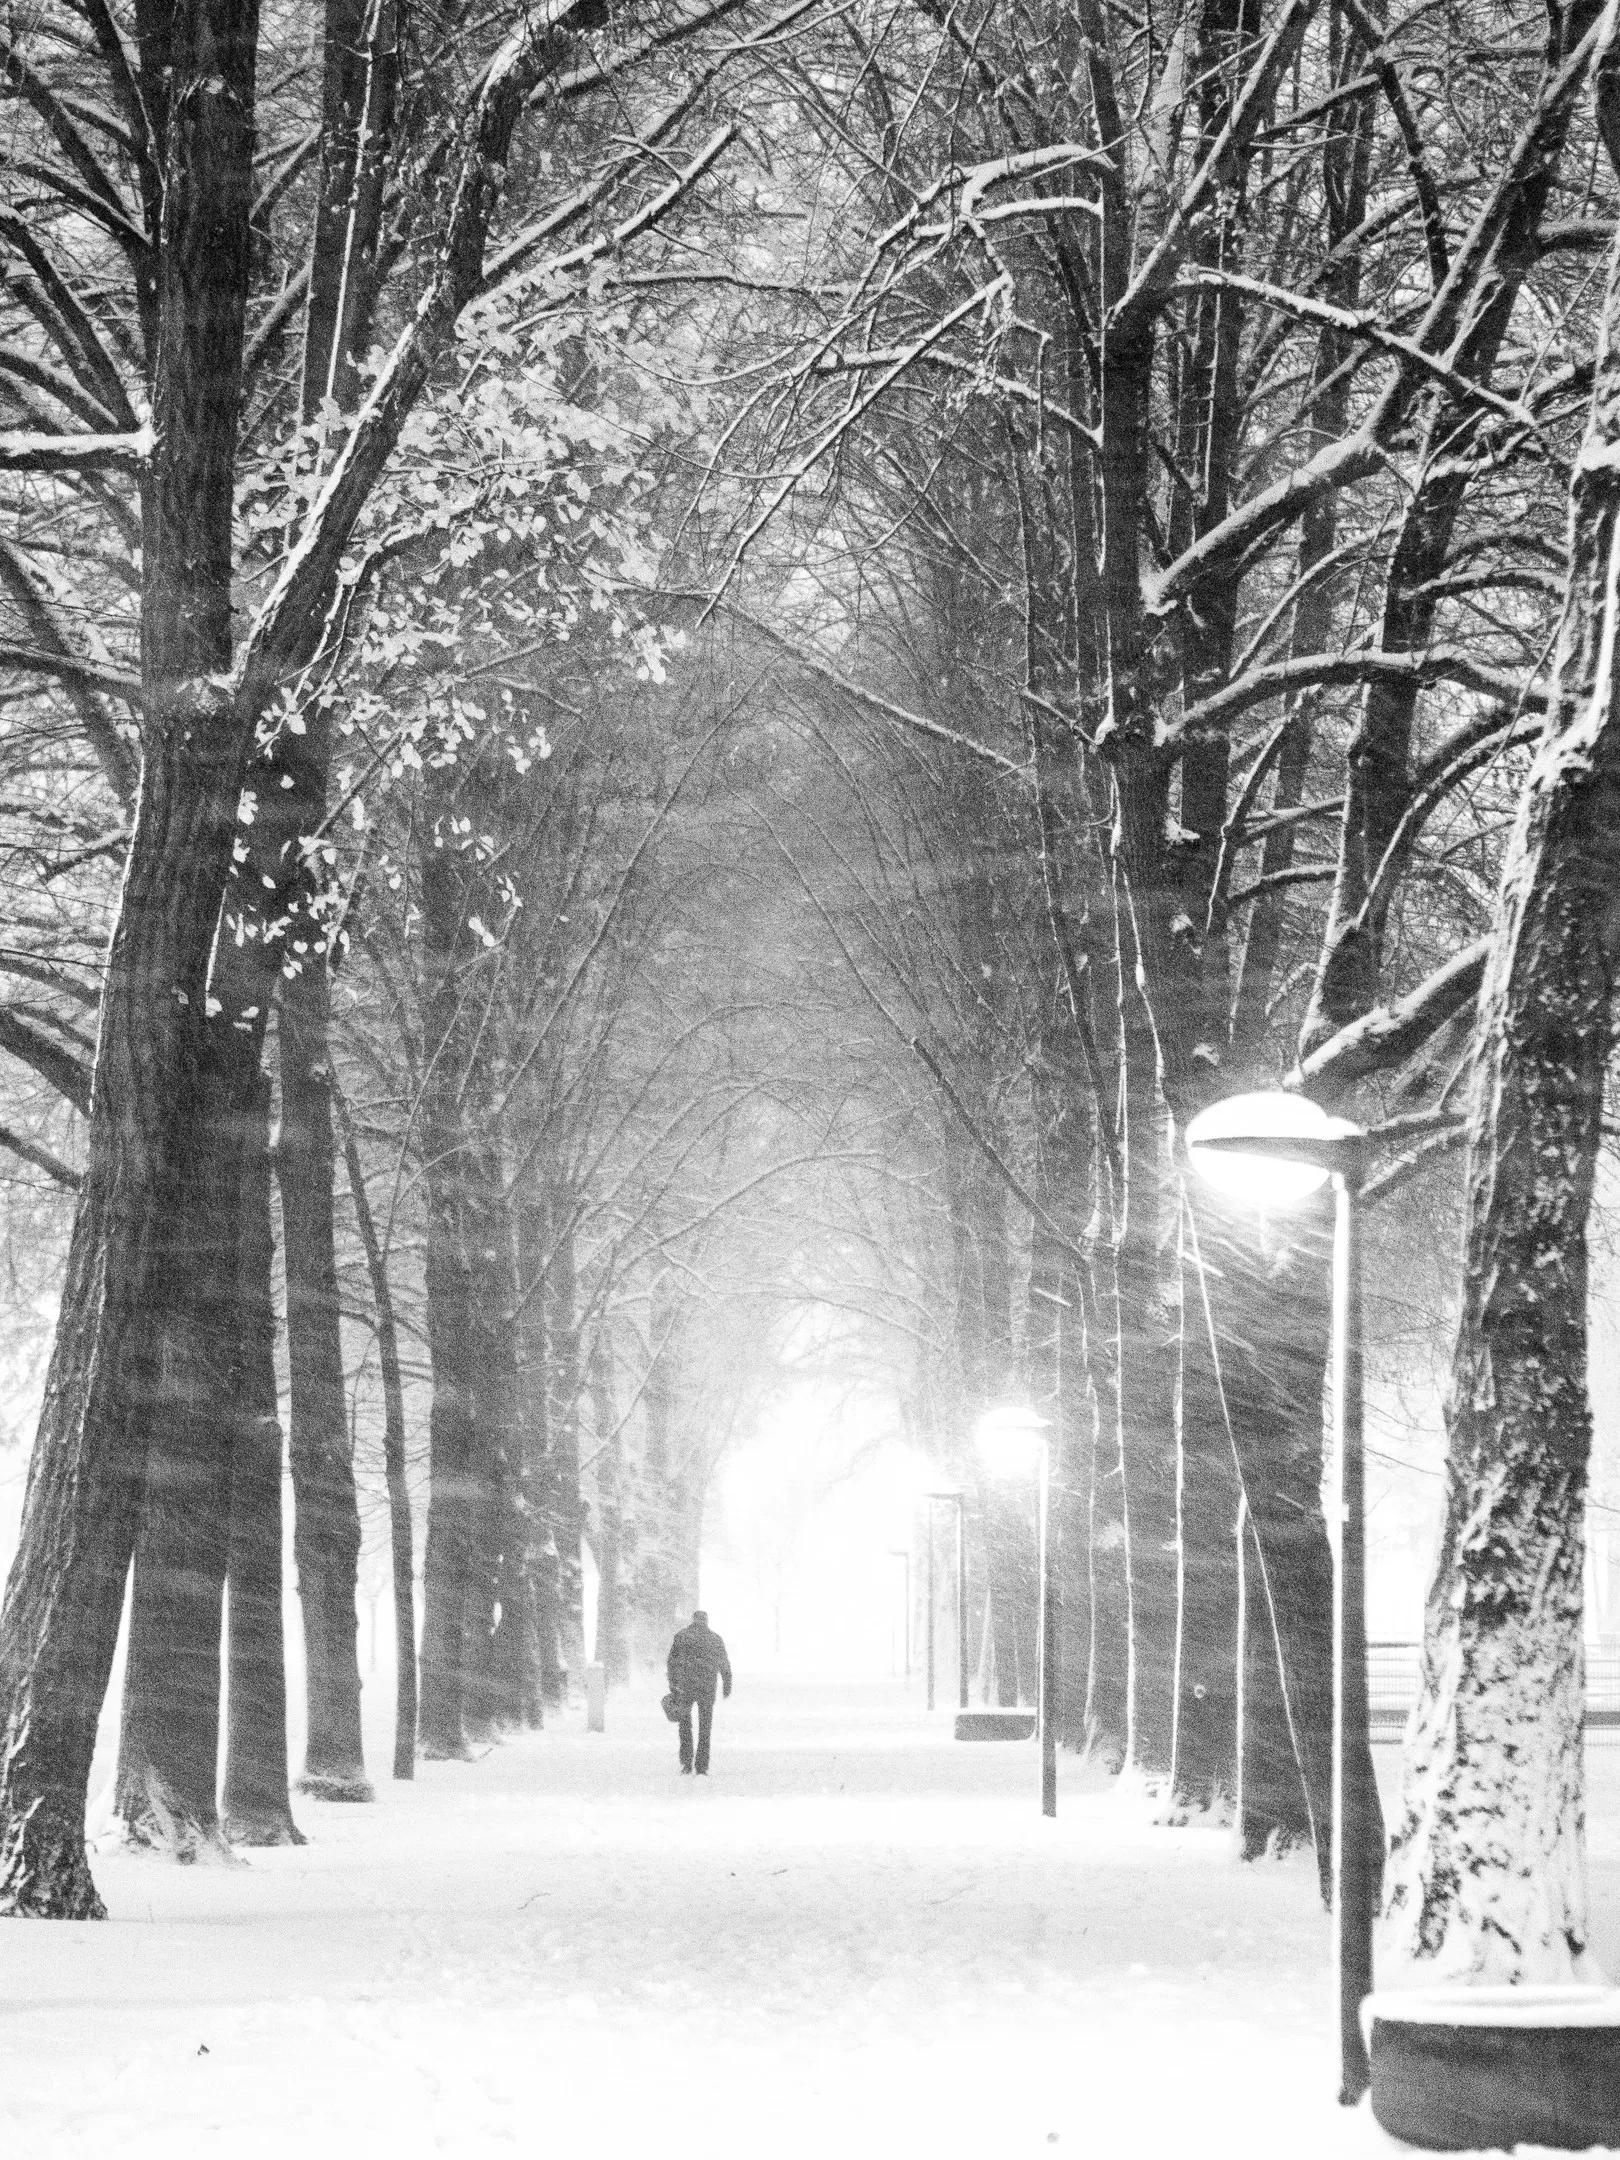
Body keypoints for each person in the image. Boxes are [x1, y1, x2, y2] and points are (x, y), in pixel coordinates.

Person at [666, 1609, 732, 1775]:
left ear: (693, 1620)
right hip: (707, 1688)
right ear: (706, 1621)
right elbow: (724, 1663)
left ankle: (686, 1762)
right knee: (705, 1727)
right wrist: (726, 1683)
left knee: (684, 1725)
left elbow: (672, 1662)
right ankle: (702, 1765)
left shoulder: (681, 1636)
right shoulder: (715, 1639)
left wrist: (673, 1684)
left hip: (685, 1687)